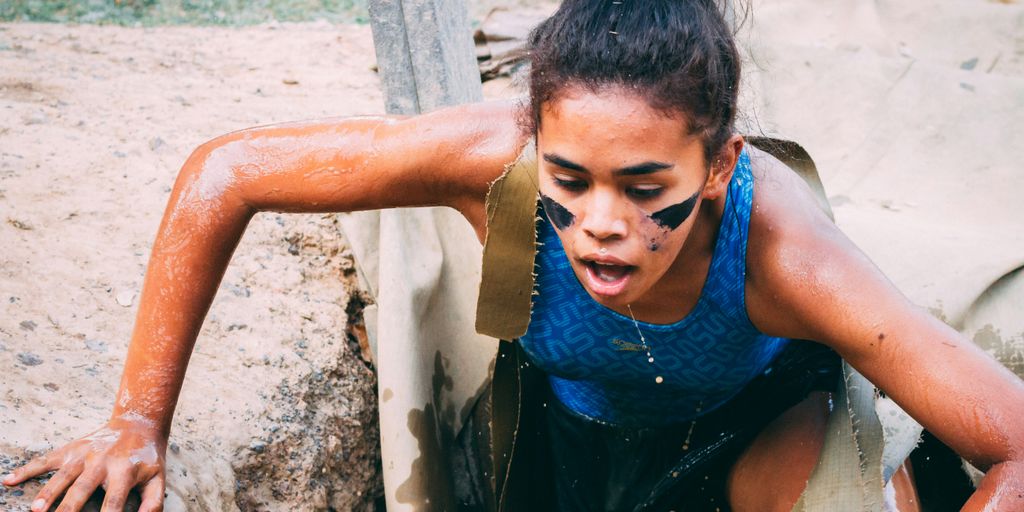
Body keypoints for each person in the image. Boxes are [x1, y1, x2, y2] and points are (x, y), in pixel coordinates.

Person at [5, 1, 1023, 511]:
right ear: (534, 140)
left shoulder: (784, 253)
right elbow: (226, 171)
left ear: (718, 166)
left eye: (645, 190)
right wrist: (137, 417)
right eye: (570, 180)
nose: (598, 226)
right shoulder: (490, 163)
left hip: (754, 418)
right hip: (571, 420)